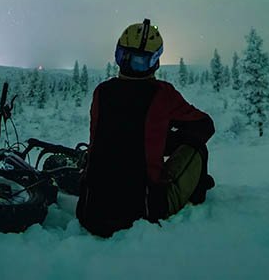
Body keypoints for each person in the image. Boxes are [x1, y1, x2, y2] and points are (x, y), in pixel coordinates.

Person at [76, 19, 215, 237]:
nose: (130, 64)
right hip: (144, 210)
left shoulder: (101, 92)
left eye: (137, 60)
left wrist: (160, 139)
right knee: (197, 149)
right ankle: (197, 195)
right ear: (156, 62)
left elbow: (124, 132)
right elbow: (205, 125)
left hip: (89, 212)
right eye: (127, 58)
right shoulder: (162, 94)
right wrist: (173, 141)